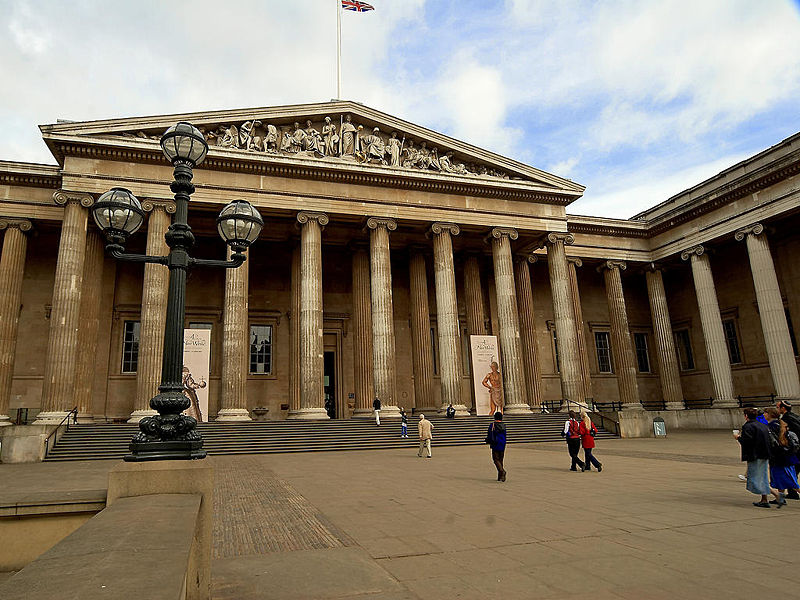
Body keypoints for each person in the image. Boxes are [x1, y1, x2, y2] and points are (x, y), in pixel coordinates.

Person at [735, 407, 773, 507]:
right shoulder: (762, 425)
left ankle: (777, 495)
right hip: (764, 454)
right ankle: (764, 499)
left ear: (746, 416)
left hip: (755, 455)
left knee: (755, 478)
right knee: (762, 476)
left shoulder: (748, 426)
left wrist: (738, 438)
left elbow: (747, 442)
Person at [764, 406, 799, 506]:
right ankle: (781, 498)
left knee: (791, 483)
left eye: (765, 413)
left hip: (780, 458)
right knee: (781, 479)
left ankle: (781, 497)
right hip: (787, 456)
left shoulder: (771, 427)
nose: (764, 415)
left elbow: (772, 443)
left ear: (770, 414)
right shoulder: (780, 424)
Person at [777, 400, 800, 499]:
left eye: (778, 407)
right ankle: (792, 492)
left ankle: (793, 492)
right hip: (797, 447)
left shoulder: (785, 419)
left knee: (793, 470)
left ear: (783, 408)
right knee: (794, 470)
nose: (777, 409)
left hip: (795, 449)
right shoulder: (795, 416)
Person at [485, 411, 507, 481]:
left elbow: (489, 434)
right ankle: (500, 476)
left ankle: (502, 471)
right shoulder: (503, 425)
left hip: (495, 443)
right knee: (500, 460)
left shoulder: (493, 425)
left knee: (495, 459)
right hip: (502, 443)